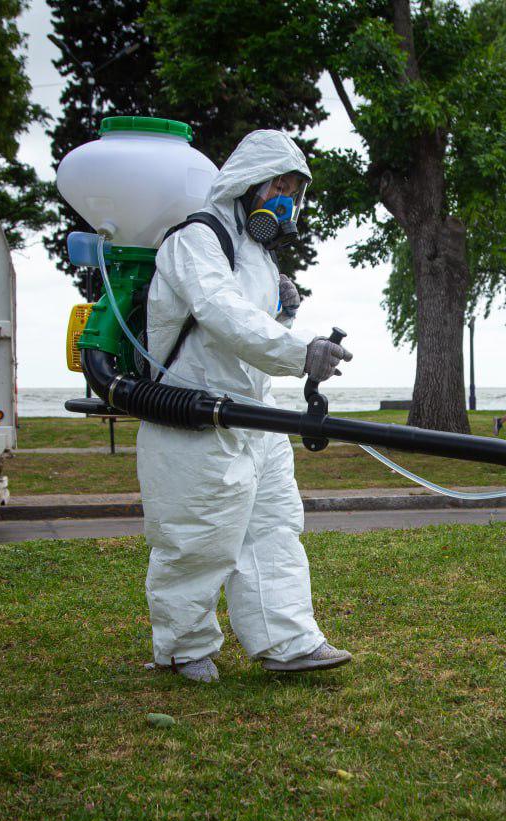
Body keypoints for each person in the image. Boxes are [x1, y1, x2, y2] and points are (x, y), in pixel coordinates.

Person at [136, 129, 353, 683]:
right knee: (197, 536)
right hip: (193, 413)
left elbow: (247, 328)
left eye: (296, 191)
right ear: (250, 181)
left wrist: (283, 315)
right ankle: (184, 648)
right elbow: (220, 311)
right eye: (281, 185)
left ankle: (288, 641)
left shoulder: (254, 252)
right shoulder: (196, 239)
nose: (287, 201)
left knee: (275, 528)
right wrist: (299, 350)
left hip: (255, 413)